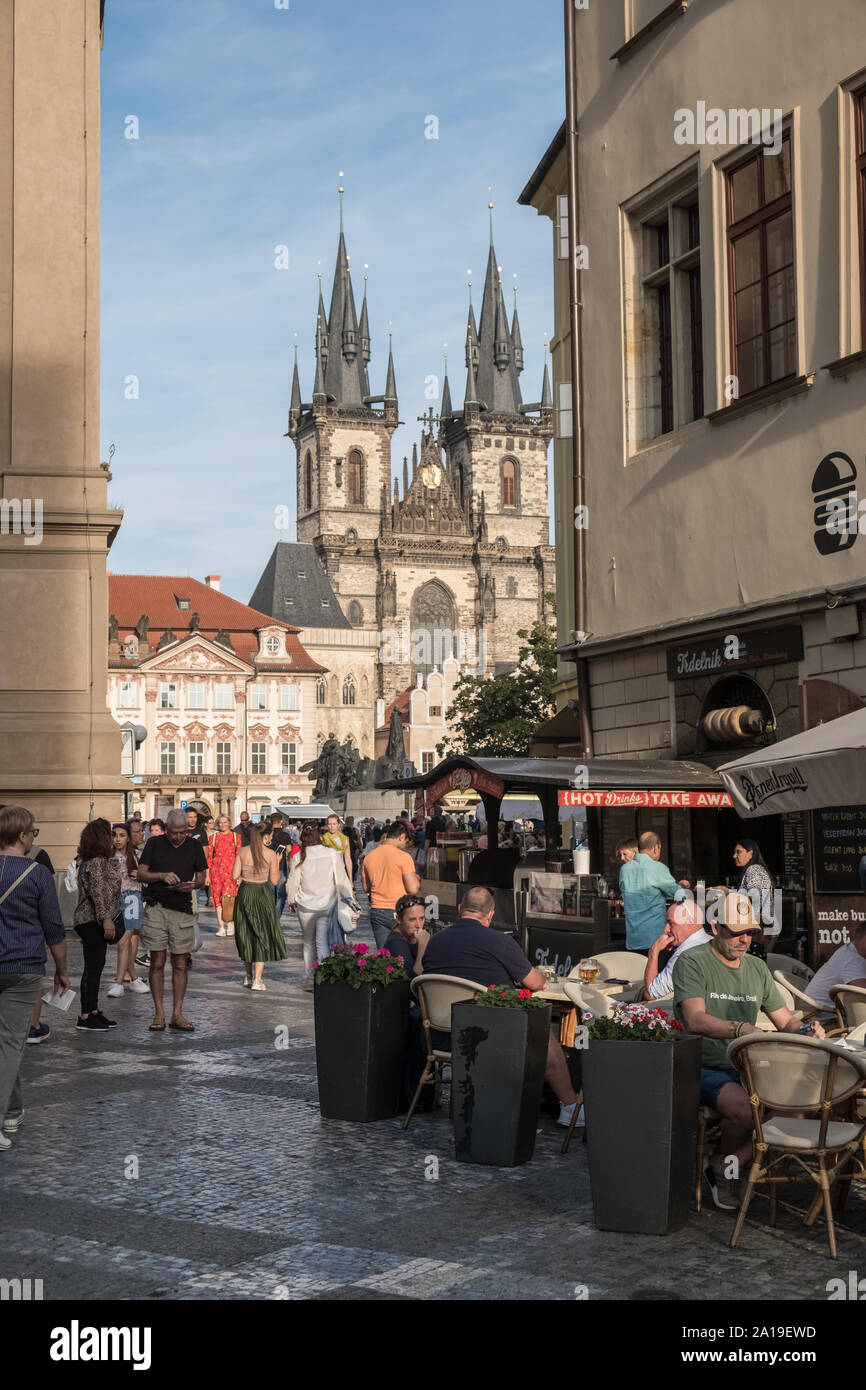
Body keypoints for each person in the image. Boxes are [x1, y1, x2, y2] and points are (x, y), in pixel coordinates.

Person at [674, 892, 825, 1210]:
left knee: (802, 1101)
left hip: (748, 1068)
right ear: (715, 928)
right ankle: (731, 1170)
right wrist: (740, 1029)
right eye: (736, 931)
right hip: (700, 1064)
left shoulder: (756, 968)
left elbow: (786, 1022)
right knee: (745, 1109)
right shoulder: (692, 961)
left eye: (750, 932)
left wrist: (809, 1029)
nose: (744, 939)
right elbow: (694, 1019)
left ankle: (726, 1163)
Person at [422, 886, 582, 1126]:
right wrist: (542, 978)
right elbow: (535, 982)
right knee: (541, 1034)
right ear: (490, 914)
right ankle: (570, 1107)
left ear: (459, 910)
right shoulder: (500, 942)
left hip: (442, 1036)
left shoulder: (434, 942)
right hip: (489, 1039)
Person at [0, 806, 70, 1147]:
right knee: (10, 1042)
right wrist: (61, 969)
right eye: (33, 833)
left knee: (5, 1043)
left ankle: (12, 1111)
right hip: (24, 967)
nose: (33, 838)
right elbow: (54, 929)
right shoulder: (38, 874)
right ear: (23, 836)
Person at [137, 808, 207, 1032]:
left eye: (182, 832)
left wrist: (193, 885)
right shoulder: (154, 844)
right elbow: (140, 873)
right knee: (157, 961)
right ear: (166, 829)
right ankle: (159, 1013)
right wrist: (161, 876)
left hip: (182, 909)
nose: (178, 837)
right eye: (174, 832)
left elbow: (202, 877)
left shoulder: (194, 845)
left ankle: (177, 1013)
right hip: (157, 907)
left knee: (180, 963)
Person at [286, 821, 352, 990]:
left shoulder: (298, 856)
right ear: (320, 836)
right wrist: (349, 899)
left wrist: (291, 900)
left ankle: (309, 978)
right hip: (327, 903)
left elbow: (293, 882)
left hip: (306, 905)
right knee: (322, 942)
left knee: (308, 942)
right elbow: (342, 879)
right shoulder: (332, 853)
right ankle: (323, 977)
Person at [74, 819, 122, 1032]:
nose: (112, 838)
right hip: (91, 920)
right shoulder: (94, 862)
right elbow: (98, 893)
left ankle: (93, 1010)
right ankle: (85, 1015)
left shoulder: (100, 861)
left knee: (97, 965)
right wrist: (107, 919)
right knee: (92, 966)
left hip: (96, 919)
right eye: (109, 834)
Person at [231, 822, 286, 991]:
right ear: (267, 836)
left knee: (245, 933)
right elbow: (275, 881)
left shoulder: (242, 851)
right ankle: (258, 979)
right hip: (262, 893)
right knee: (262, 934)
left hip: (245, 892)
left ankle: (248, 976)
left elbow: (234, 875)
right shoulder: (270, 854)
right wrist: (276, 862)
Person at [619, 831, 686, 953]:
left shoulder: (624, 870)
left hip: (633, 940)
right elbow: (679, 895)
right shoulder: (658, 868)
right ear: (656, 847)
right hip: (655, 940)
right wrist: (680, 887)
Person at [362, 821, 420, 949]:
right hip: (398, 910)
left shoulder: (369, 857)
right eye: (406, 841)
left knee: (385, 956)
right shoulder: (403, 857)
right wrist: (416, 878)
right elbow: (413, 889)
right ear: (402, 837)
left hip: (377, 910)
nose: (406, 845)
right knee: (404, 955)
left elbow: (366, 888)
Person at [107, 823, 149, 997]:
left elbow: (147, 881)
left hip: (133, 899)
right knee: (123, 941)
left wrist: (140, 875)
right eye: (115, 835)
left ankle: (119, 983)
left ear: (128, 838)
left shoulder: (138, 856)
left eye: (122, 835)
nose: (117, 839)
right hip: (115, 901)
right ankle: (133, 979)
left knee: (125, 940)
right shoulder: (108, 857)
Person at [642, 899, 711, 1000]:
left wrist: (654, 951)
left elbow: (651, 995)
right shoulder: (711, 941)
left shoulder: (684, 955)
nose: (666, 929)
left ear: (690, 923)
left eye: (671, 923)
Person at [713, 839, 778, 945]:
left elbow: (755, 898)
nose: (734, 856)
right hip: (760, 928)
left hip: (759, 929)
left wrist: (728, 893)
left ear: (751, 853)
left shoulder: (754, 869)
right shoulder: (754, 869)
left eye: (738, 852)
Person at [806, 920, 866, 1009]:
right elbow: (863, 993)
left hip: (823, 1011)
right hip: (820, 1016)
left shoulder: (850, 949)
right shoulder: (852, 960)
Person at [383, 894, 431, 980]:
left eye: (421, 918)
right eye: (412, 920)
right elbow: (413, 979)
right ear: (398, 919)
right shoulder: (395, 942)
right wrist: (423, 946)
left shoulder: (415, 938)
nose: (419, 925)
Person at [208, 814, 240, 936]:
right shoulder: (213, 838)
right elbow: (209, 857)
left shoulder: (236, 837)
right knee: (217, 899)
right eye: (220, 822)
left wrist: (239, 875)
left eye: (225, 822)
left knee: (229, 898)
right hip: (216, 872)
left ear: (229, 823)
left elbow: (240, 857)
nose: (222, 824)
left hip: (231, 872)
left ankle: (230, 923)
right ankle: (221, 927)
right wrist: (207, 875)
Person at [266, 811, 293, 920]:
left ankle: (271, 917)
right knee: (281, 896)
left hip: (268, 869)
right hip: (281, 868)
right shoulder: (285, 835)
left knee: (271, 895)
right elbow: (289, 851)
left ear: (270, 822)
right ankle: (276, 918)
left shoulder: (267, 835)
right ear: (281, 822)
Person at [321, 814, 353, 882]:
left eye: (334, 824)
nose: (332, 826)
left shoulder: (345, 839)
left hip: (341, 872)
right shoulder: (323, 839)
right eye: (329, 824)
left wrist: (350, 879)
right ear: (327, 825)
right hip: (327, 874)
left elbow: (348, 859)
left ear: (338, 825)